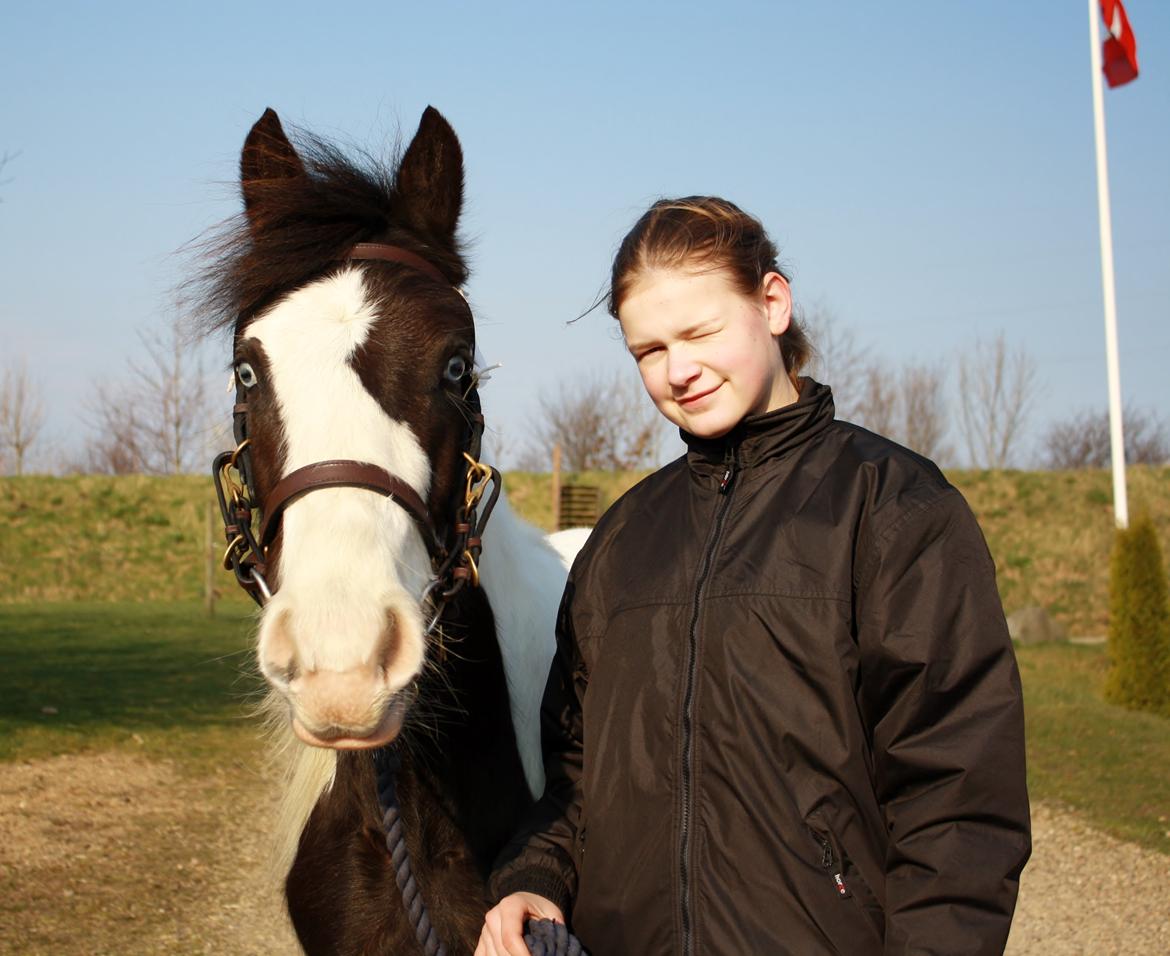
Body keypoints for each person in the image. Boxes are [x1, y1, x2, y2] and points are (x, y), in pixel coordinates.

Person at [476, 197, 1030, 956]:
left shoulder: (894, 509)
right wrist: (534, 877)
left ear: (772, 303)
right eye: (648, 350)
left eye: (701, 332)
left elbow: (959, 804)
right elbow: (574, 779)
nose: (678, 371)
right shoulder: (621, 540)